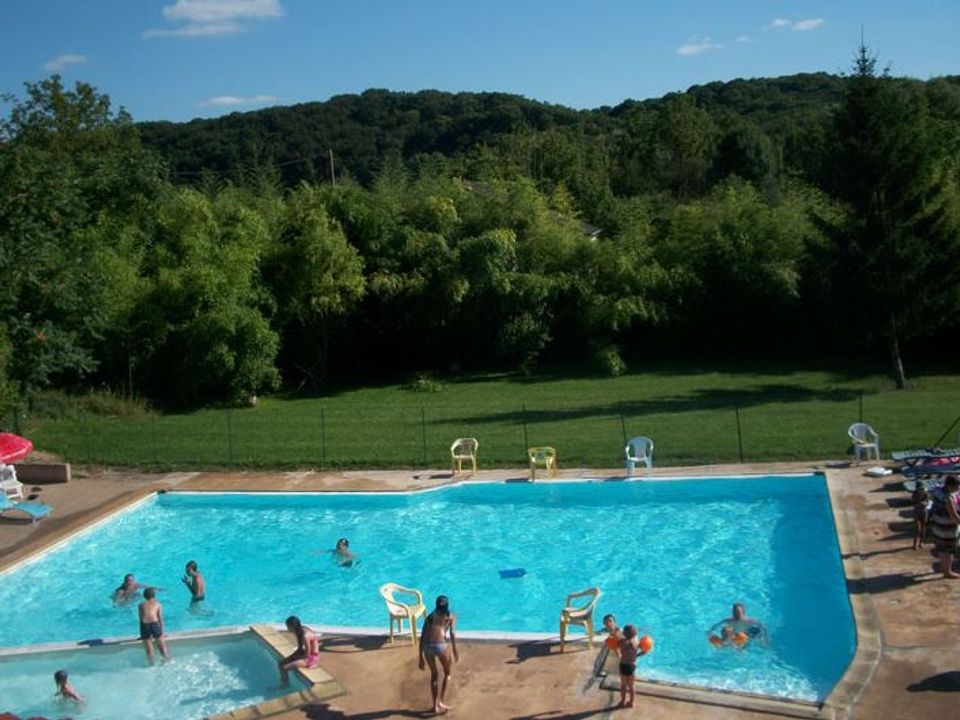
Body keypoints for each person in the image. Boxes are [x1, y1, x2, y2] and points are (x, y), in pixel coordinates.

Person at [418, 595, 459, 715]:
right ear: (447, 605)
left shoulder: (429, 617)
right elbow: (452, 634)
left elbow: (422, 637)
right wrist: (455, 650)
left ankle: (435, 706)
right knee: (447, 673)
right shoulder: (450, 616)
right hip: (441, 646)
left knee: (434, 675)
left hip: (427, 646)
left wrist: (420, 657)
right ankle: (441, 701)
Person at [929, 475, 960, 578]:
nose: (958, 488)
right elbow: (953, 516)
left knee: (941, 548)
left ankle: (945, 569)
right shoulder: (948, 498)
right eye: (957, 486)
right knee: (949, 550)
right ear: (951, 486)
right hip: (947, 527)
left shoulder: (937, 490)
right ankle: (947, 572)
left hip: (937, 523)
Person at [278, 615, 321, 684]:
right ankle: (283, 681)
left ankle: (285, 685)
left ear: (293, 626)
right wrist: (292, 657)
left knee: (284, 668)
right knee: (280, 663)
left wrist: (296, 659)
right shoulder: (299, 631)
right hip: (304, 653)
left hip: (311, 657)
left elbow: (307, 655)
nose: (287, 629)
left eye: (288, 627)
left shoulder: (305, 636)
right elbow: (300, 649)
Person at [617, 624, 650, 708]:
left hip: (623, 665)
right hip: (632, 666)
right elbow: (645, 651)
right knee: (631, 685)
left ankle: (623, 701)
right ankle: (632, 702)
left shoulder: (622, 642)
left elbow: (615, 645)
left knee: (623, 685)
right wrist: (637, 655)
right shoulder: (636, 643)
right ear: (635, 634)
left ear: (624, 633)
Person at [138, 587, 170, 664]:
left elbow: (141, 618)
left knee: (149, 650)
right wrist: (162, 632)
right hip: (154, 624)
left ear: (144, 596)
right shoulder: (158, 604)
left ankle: (151, 664)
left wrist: (141, 634)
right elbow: (160, 618)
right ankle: (166, 661)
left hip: (145, 625)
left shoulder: (141, 605)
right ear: (154, 595)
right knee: (162, 647)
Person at [912, 483, 932, 549]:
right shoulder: (914, 494)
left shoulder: (926, 494)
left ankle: (921, 542)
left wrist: (924, 503)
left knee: (923, 528)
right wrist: (920, 504)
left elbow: (927, 502)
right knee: (917, 529)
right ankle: (915, 543)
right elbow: (913, 503)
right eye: (920, 489)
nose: (922, 490)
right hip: (916, 512)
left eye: (922, 489)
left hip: (924, 512)